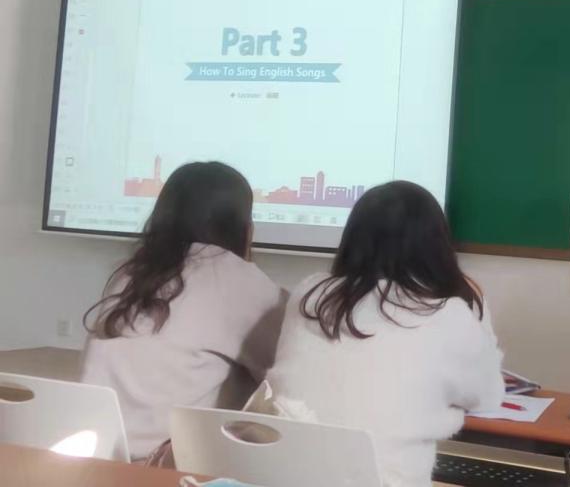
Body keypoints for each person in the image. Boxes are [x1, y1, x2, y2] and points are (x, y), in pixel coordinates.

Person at [266, 180, 504, 487]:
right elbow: (488, 397)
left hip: (287, 477)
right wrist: (474, 302)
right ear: (437, 245)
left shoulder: (309, 294)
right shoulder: (448, 312)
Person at [81, 161, 287, 462]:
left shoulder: (131, 275)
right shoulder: (236, 278)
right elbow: (289, 367)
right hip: (166, 466)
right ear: (244, 227)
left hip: (93, 455)